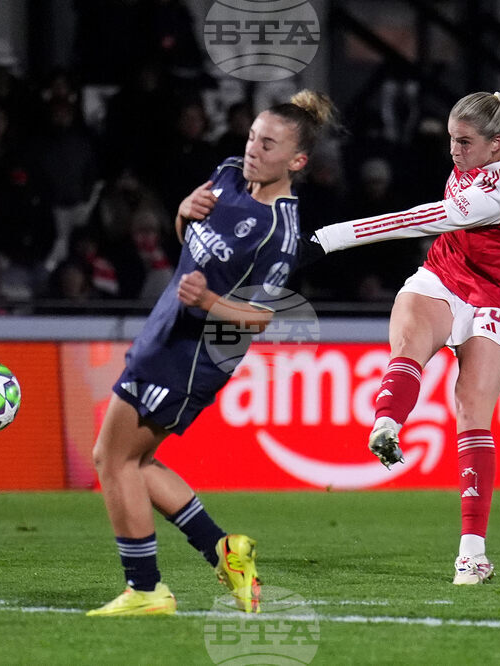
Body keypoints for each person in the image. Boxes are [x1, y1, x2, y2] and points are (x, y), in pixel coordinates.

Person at [306, 88, 500, 585]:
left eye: (464, 142)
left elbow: (413, 220)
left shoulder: (493, 191)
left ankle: (470, 553)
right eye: (452, 139)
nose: (454, 151)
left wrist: (328, 238)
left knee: (471, 410)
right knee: (409, 345)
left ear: (496, 144)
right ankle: (387, 423)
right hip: (448, 271)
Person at [87, 90, 336, 616]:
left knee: (113, 459)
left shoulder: (279, 232)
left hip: (193, 356)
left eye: (268, 145)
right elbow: (192, 241)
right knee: (134, 461)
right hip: (165, 332)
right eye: (252, 137)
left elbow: (261, 316)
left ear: (296, 162)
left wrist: (208, 302)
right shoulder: (226, 174)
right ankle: (225, 553)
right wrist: (182, 212)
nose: (252, 150)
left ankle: (146, 589)